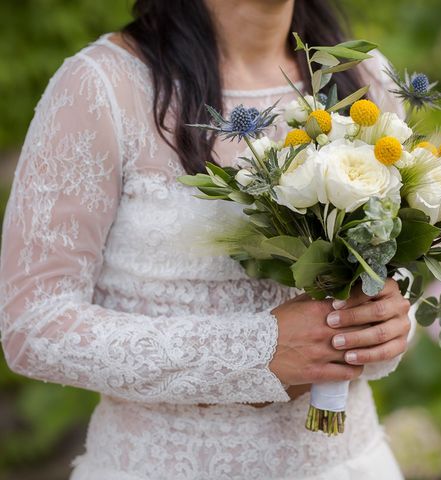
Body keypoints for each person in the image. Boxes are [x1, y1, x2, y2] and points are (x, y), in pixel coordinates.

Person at [0, 0, 413, 478]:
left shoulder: (364, 77)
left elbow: (398, 269)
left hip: (348, 464)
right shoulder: (102, 87)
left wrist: (386, 326)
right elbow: (34, 324)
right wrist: (255, 352)